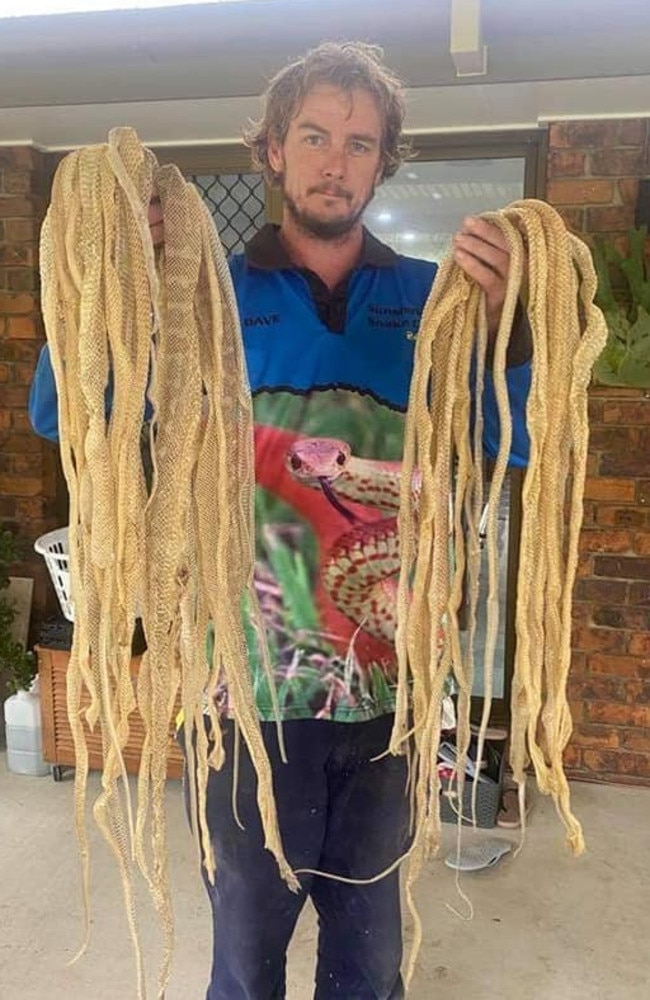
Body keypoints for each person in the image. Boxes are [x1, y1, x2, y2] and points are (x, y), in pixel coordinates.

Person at [29, 42, 531, 1000]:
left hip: (391, 697)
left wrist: (518, 328)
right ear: (270, 149)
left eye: (358, 141)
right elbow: (65, 415)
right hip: (242, 701)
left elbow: (518, 444)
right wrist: (113, 284)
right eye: (312, 136)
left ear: (385, 161)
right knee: (246, 967)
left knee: (371, 966)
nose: (334, 160)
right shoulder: (201, 296)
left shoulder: (436, 303)